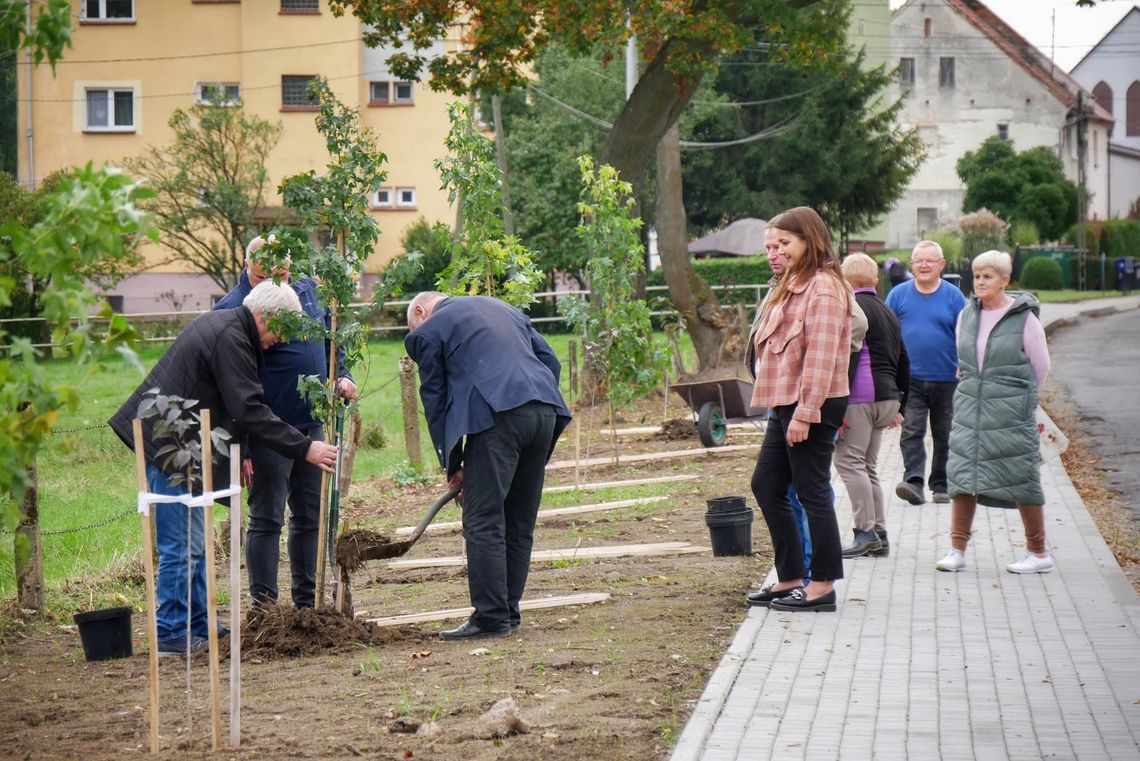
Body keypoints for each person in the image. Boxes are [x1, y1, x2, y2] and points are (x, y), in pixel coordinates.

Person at [108, 282, 339, 656]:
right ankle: (170, 632)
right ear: (266, 315)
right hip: (171, 446)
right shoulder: (231, 337)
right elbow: (248, 408)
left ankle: (198, 624)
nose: (280, 341)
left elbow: (234, 406)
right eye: (281, 330)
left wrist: (241, 448)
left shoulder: (231, 330)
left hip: (187, 446)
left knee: (195, 545)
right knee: (180, 546)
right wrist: (305, 448)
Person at [405, 293, 572, 640]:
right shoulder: (505, 309)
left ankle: (492, 618)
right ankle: (507, 611)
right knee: (518, 520)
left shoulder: (428, 329)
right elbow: (551, 362)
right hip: (543, 411)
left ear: (421, 312)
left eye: (413, 325)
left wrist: (452, 464)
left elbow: (435, 399)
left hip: (497, 418)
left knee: (482, 520)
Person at [214, 235, 357, 610]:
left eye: (283, 275)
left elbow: (331, 337)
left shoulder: (307, 291)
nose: (276, 285)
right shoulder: (232, 309)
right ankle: (265, 609)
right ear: (248, 266)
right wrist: (241, 446)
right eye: (265, 277)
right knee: (267, 516)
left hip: (312, 425)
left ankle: (306, 605)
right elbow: (229, 388)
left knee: (310, 515)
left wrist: (343, 374)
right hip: (268, 432)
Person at [744, 208, 850, 612]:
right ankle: (789, 577)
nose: (775, 253)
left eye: (784, 244)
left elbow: (821, 357)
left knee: (811, 491)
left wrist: (806, 413)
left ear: (809, 240)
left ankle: (822, 585)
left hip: (812, 403)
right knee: (767, 484)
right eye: (770, 246)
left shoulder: (823, 287)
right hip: (786, 401)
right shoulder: (791, 284)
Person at [935, 251, 1054, 574]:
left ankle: (1039, 552)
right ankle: (956, 549)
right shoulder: (967, 316)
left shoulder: (1025, 319)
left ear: (1005, 280)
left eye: (988, 276)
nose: (981, 282)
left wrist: (1019, 399)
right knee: (962, 476)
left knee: (1023, 478)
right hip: (970, 409)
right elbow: (965, 361)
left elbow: (1040, 367)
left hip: (1010, 413)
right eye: (977, 276)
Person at [835, 254, 910, 558]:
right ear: (875, 280)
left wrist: (837, 404)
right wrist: (899, 400)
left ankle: (864, 532)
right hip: (887, 398)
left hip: (859, 397)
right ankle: (880, 534)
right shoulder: (888, 310)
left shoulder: (850, 310)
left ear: (843, 280)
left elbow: (848, 358)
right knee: (868, 466)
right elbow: (904, 357)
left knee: (848, 463)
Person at [885, 240, 967, 506]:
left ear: (941, 265)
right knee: (911, 431)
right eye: (919, 260)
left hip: (947, 378)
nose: (924, 265)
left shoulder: (954, 297)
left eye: (930, 260)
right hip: (911, 380)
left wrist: (965, 362)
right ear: (912, 265)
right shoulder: (898, 295)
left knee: (945, 434)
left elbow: (966, 334)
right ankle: (914, 482)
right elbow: (886, 336)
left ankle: (941, 485)